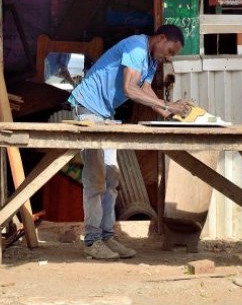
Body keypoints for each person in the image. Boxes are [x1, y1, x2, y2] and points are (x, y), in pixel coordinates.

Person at [69, 24, 192, 259]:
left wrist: (170, 111)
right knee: (96, 176)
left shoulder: (151, 59)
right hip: (87, 108)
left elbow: (144, 87)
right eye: (170, 51)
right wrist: (167, 106)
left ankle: (107, 236)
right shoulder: (137, 47)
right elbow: (129, 88)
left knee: (112, 176)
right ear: (161, 38)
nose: (169, 57)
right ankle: (92, 241)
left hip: (104, 114)